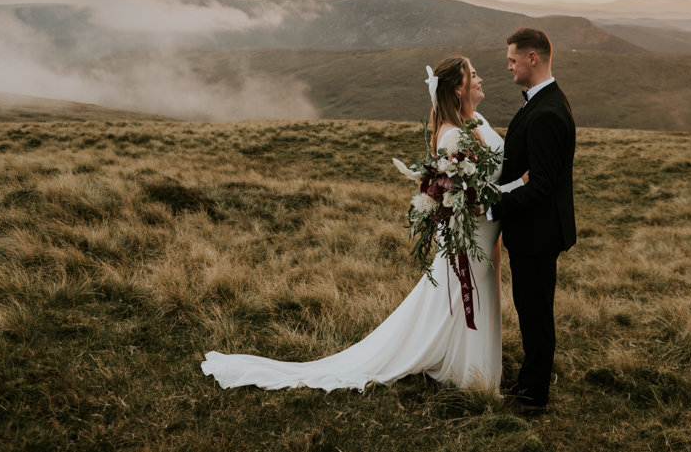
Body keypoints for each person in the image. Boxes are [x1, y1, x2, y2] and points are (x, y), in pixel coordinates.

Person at [201, 57, 520, 392]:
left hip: (485, 237)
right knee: (460, 299)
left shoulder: (478, 121)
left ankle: (468, 369)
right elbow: (472, 197)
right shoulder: (452, 136)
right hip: (471, 237)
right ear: (458, 88)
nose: (481, 78)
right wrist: (519, 187)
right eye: (473, 75)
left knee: (470, 298)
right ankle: (469, 375)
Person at [491, 27, 576, 414]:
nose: (508, 66)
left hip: (538, 234)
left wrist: (494, 205)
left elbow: (541, 186)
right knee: (530, 308)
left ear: (532, 59)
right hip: (533, 231)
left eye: (512, 60)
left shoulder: (547, 112)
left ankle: (532, 397)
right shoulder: (541, 102)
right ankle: (530, 381)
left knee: (535, 313)